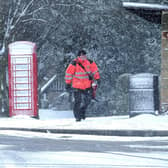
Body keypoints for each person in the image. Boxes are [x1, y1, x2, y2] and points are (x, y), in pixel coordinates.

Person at [65, 50, 100, 121]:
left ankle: (82, 111)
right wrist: (68, 84)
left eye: (84, 55)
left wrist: (97, 78)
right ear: (78, 56)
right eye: (81, 55)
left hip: (87, 85)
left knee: (88, 100)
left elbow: (95, 71)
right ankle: (77, 116)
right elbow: (68, 74)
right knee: (78, 101)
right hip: (77, 86)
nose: (83, 57)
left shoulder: (90, 62)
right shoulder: (74, 63)